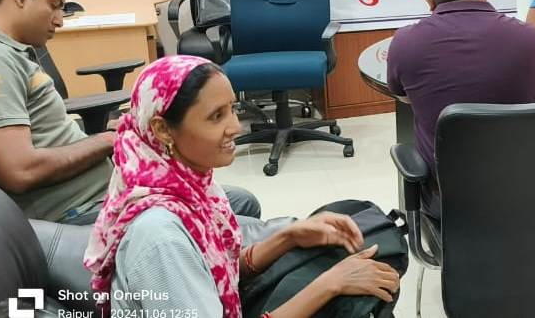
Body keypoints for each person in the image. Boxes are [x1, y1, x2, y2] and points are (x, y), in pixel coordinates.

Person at [83, 55, 400, 317]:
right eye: (216, 117)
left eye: (232, 109)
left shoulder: (188, 186)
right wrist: (329, 285)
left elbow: (218, 270)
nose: (235, 127)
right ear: (163, 130)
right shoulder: (160, 238)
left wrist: (289, 236)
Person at [0, 0, 260, 223]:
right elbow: (19, 171)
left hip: (106, 191)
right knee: (241, 211)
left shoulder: (12, 52)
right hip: (80, 209)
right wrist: (109, 139)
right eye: (54, 4)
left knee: (239, 201)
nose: (59, 20)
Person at [387, 0, 535, 216]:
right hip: (522, 190)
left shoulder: (405, 42)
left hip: (446, 199)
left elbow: (404, 96)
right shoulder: (529, 37)